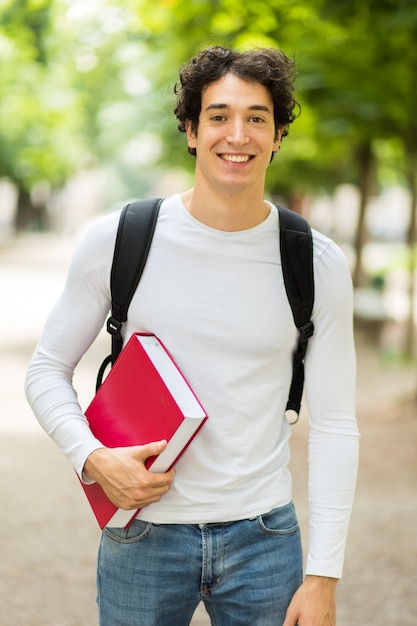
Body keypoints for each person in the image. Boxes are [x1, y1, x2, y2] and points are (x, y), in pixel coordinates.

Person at [25, 46, 359, 626]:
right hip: (142, 539)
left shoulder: (314, 262)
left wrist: (324, 576)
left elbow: (334, 424)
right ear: (190, 129)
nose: (238, 134)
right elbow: (45, 370)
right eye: (219, 115)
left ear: (278, 135)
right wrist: (93, 458)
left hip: (265, 541)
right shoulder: (121, 239)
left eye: (257, 117)